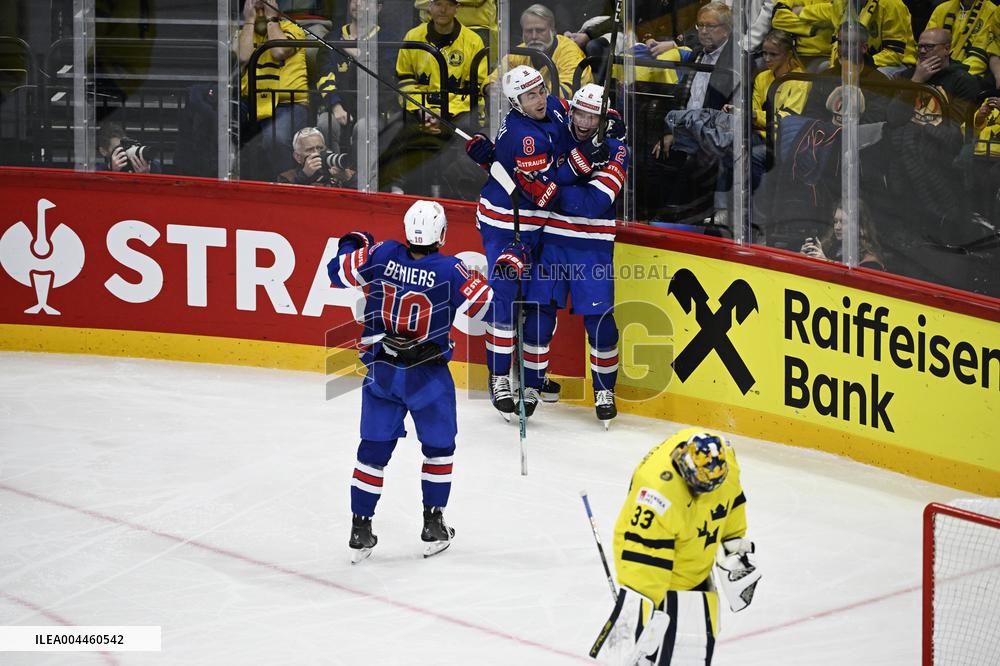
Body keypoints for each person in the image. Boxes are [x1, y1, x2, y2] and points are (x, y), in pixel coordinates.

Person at [326, 200, 497, 563]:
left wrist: (353, 242)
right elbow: (488, 308)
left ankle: (360, 527)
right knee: (439, 449)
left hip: (383, 371)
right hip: (427, 375)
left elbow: (336, 271)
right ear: (442, 234)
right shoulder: (451, 269)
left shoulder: (382, 253)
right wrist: (497, 278)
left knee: (372, 451)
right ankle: (433, 523)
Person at [465, 65, 606, 418]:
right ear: (516, 102)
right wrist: (582, 159)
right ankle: (499, 377)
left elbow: (577, 115)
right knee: (505, 298)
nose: (541, 98)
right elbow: (546, 194)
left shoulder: (553, 106)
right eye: (531, 95)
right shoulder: (524, 137)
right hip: (507, 225)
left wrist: (608, 123)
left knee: (540, 301)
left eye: (541, 90)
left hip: (539, 227)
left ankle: (531, 376)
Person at [591, 428, 760, 664]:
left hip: (695, 557)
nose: (704, 493)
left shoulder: (725, 466)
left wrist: (734, 545)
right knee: (661, 648)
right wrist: (641, 613)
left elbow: (731, 502)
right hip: (659, 566)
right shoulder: (657, 494)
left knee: (694, 651)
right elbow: (644, 561)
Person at [518, 83, 628, 426]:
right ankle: (531, 385)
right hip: (551, 242)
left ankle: (604, 391)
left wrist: (551, 188)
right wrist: (569, 173)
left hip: (592, 248)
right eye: (579, 113)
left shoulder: (616, 150)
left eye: (592, 116)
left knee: (600, 324)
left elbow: (593, 203)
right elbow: (534, 181)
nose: (583, 122)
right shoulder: (556, 135)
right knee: (538, 317)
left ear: (604, 119)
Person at [378, 0, 488, 199]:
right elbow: (404, 80)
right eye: (438, 3)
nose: (443, 9)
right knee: (393, 130)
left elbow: (476, 88)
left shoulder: (473, 41)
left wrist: (444, 112)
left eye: (449, 4)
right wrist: (422, 109)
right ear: (429, 6)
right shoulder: (413, 37)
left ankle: (454, 198)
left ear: (457, 8)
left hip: (459, 112)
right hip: (419, 109)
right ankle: (399, 194)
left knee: (463, 139)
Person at [236, 0, 310, 179]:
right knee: (222, 127)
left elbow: (279, 51)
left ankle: (289, 181)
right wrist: (249, 21)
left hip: (287, 103)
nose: (260, 6)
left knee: (276, 138)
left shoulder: (293, 29)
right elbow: (243, 57)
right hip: (252, 102)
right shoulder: (245, 32)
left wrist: (272, 18)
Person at [499, 4, 593, 99]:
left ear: (553, 30)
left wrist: (522, 95)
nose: (534, 36)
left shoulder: (569, 52)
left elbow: (566, 93)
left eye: (540, 30)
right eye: (529, 31)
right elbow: (494, 81)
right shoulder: (518, 52)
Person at [800, 201, 885, 270]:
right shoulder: (831, 246)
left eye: (843, 222)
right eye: (835, 221)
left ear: (859, 226)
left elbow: (853, 282)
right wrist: (803, 257)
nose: (837, 227)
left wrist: (826, 262)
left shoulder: (870, 262)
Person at [923, 0, 997, 77]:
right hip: (936, 70)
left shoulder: (992, 12)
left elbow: (979, 57)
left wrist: (954, 75)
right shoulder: (942, 9)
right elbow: (927, 47)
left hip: (968, 75)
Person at [277, 127, 356, 186]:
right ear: (297, 156)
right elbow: (284, 198)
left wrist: (348, 180)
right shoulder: (287, 177)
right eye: (309, 150)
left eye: (320, 148)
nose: (317, 153)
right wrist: (304, 175)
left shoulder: (340, 171)